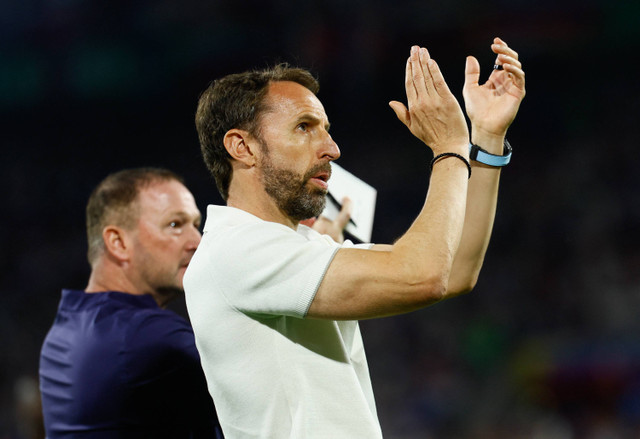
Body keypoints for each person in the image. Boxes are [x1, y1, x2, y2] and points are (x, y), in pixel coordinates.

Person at [185, 37, 526, 438]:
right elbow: (425, 275)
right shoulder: (236, 249)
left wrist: (485, 138)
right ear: (242, 147)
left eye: (326, 130)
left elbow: (456, 271)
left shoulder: (292, 246)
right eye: (304, 127)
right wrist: (450, 148)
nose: (331, 147)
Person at [39, 167, 224, 438]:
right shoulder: (148, 335)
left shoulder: (64, 330)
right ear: (118, 242)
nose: (196, 242)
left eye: (195, 225)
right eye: (175, 225)